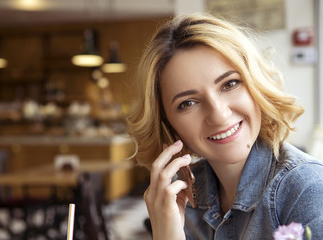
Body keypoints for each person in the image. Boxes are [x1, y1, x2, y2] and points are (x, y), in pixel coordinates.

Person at [126, 13, 323, 239]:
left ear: (254, 84)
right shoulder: (181, 197)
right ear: (167, 123)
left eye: (230, 84)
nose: (219, 115)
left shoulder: (307, 189)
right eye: (188, 103)